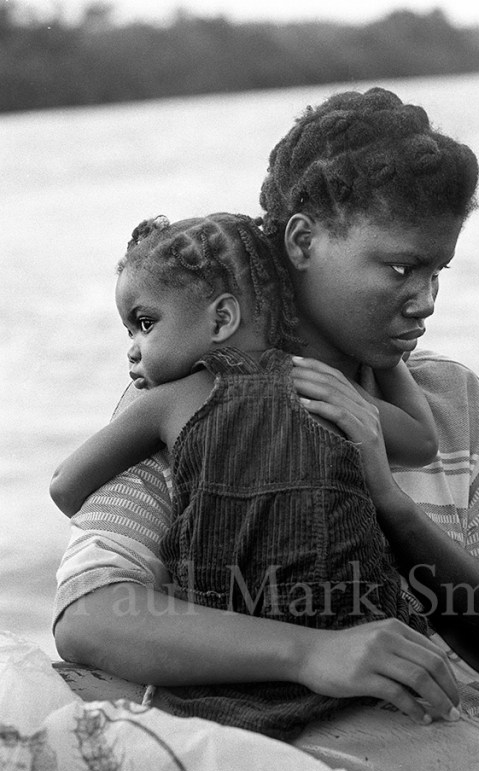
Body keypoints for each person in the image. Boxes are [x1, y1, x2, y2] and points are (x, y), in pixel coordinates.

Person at [53, 86, 479, 737]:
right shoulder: (197, 404)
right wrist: (311, 652)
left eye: (439, 271)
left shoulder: (452, 400)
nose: (426, 299)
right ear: (301, 240)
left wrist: (386, 498)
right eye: (398, 267)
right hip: (293, 767)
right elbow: (89, 616)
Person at [50, 211, 452, 740]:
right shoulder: (328, 389)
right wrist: (382, 358)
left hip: (238, 655)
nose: (132, 347)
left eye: (145, 323)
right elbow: (423, 443)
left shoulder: (166, 403)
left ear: (220, 321)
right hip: (366, 632)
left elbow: (64, 486)